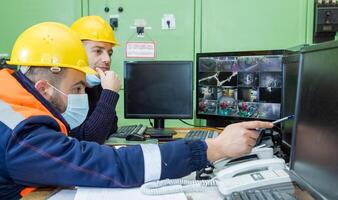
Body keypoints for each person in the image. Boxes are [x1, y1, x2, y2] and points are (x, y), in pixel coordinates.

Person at [0, 22, 273, 200]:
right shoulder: (22, 133)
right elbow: (105, 165)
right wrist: (213, 149)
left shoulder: (11, 95)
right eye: (78, 88)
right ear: (45, 88)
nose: (81, 96)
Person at [69, 16, 120, 144]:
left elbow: (111, 128)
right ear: (76, 51)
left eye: (109, 53)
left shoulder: (97, 83)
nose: (107, 59)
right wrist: (110, 93)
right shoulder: (65, 88)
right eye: (98, 51)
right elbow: (88, 139)